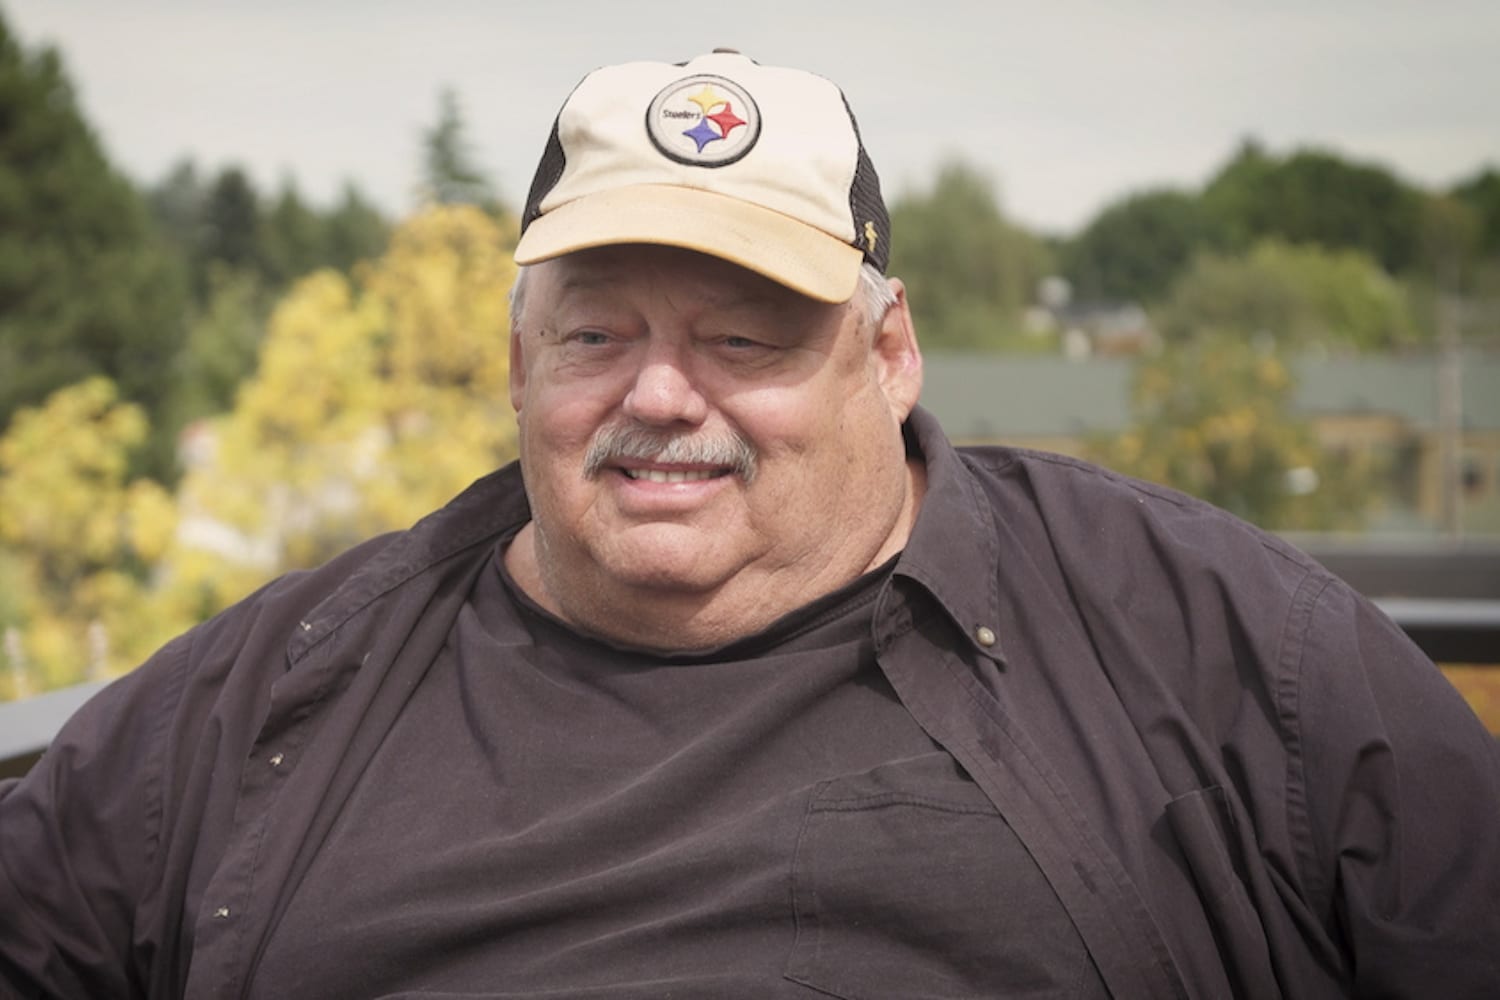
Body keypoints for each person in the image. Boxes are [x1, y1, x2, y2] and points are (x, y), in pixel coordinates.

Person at [2, 49, 1497, 1000]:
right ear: (521, 364)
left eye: (749, 338)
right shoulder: (281, 687)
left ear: (892, 353)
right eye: (598, 335)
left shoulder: (1204, 637)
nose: (663, 395)